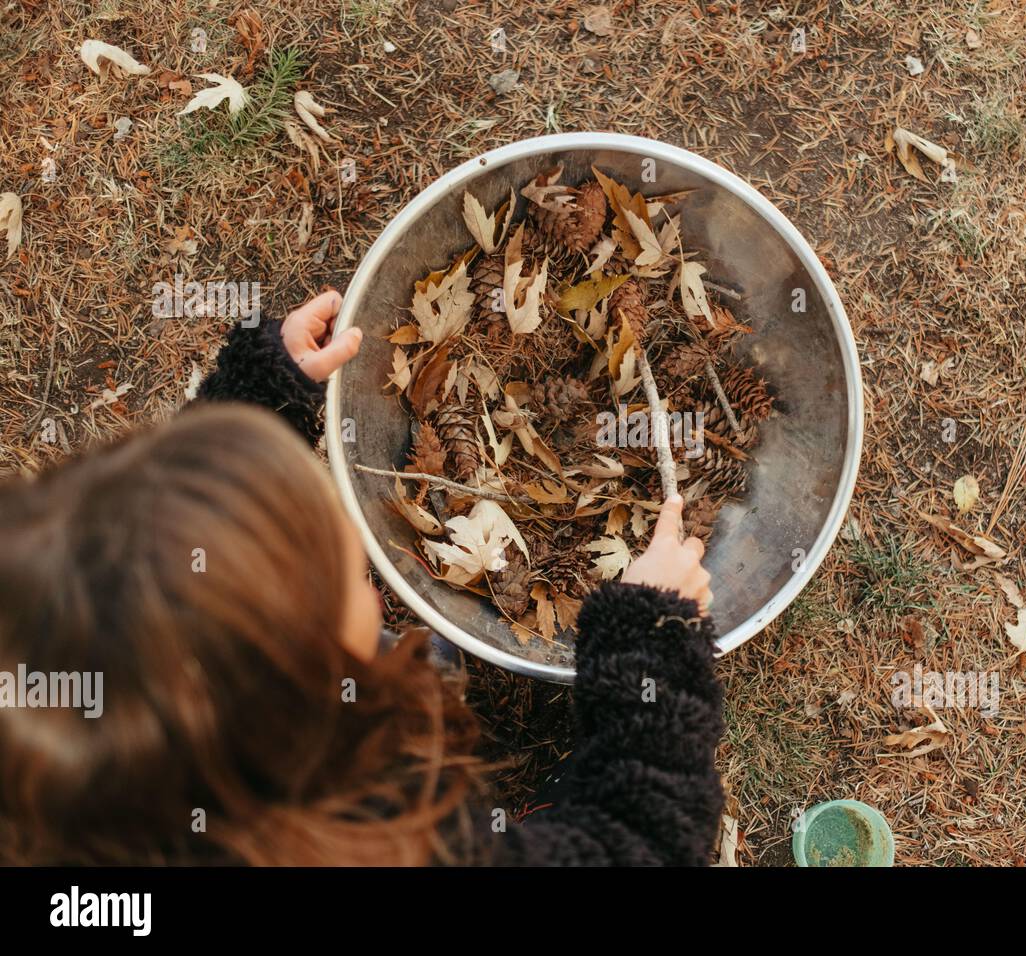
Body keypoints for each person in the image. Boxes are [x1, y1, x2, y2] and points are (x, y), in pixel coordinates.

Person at [0, 293, 723, 865]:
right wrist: (650, 640)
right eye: (348, 577)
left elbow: (151, 548)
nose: (371, 578)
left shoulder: (84, 772)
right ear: (295, 710)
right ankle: (545, 812)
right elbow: (648, 840)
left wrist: (257, 401)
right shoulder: (392, 844)